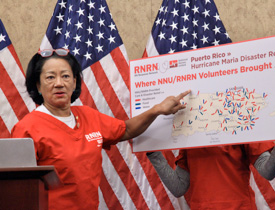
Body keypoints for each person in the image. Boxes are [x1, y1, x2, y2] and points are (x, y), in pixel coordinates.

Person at [10, 48, 191, 210]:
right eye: (50, 77)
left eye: (65, 76)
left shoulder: (88, 116)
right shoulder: (27, 128)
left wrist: (157, 110)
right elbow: (16, 189)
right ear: (38, 86)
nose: (59, 83)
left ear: (74, 83)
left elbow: (125, 130)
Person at [147, 107, 275, 210]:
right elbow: (179, 187)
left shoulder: (240, 116)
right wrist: (152, 152)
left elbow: (268, 172)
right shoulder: (191, 129)